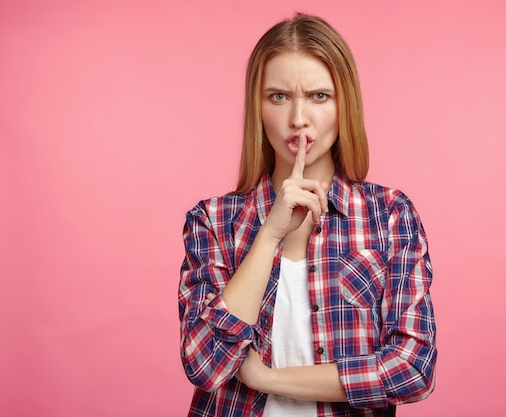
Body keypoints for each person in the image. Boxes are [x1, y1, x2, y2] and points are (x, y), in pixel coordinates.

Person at [178, 13, 436, 417]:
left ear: (343, 103)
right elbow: (205, 365)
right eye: (278, 96)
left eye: (319, 96)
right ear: (258, 108)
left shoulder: (389, 216)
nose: (299, 118)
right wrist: (267, 237)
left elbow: (413, 368)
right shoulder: (212, 221)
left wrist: (267, 378)